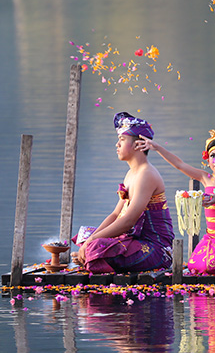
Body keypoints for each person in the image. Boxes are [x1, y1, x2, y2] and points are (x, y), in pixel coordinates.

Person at [72, 112, 174, 273]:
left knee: (95, 245)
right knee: (86, 235)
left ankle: (91, 257)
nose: (117, 145)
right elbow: (115, 215)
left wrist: (92, 242)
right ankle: (91, 255)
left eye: (122, 140)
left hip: (156, 249)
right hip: (134, 241)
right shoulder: (131, 174)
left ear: (138, 145)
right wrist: (88, 241)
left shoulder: (146, 174)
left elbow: (128, 221)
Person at [146, 122, 215, 275]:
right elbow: (180, 164)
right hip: (212, 235)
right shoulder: (204, 177)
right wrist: (158, 148)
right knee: (194, 267)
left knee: (211, 268)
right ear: (207, 160)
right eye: (212, 156)